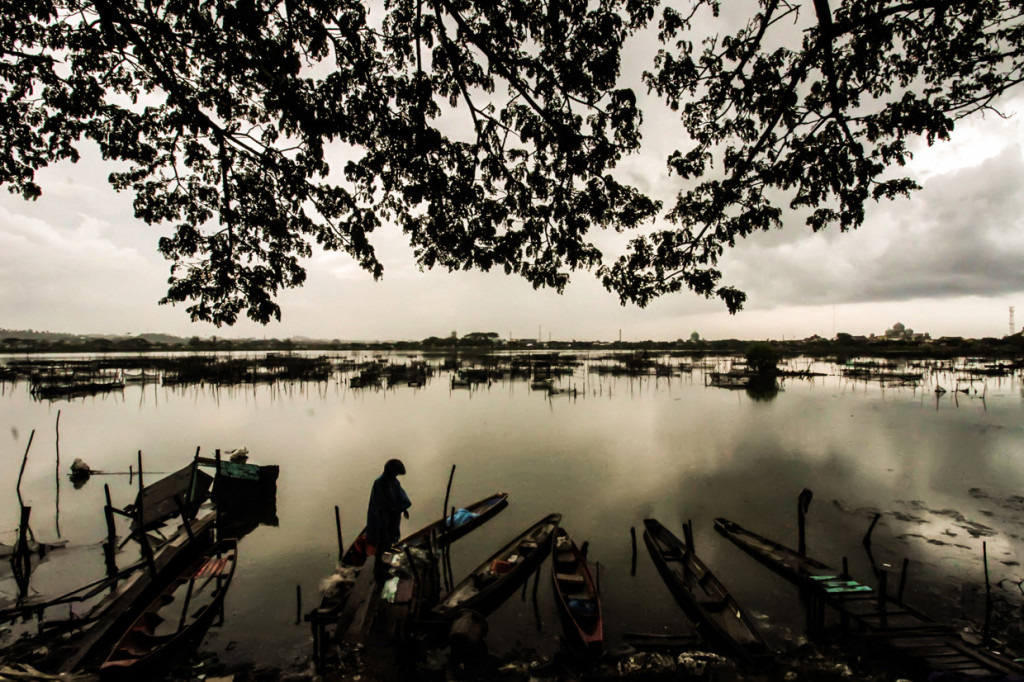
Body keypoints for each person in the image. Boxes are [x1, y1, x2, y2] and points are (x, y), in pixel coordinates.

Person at [365, 458, 412, 556]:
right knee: (383, 539)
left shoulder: (394, 482)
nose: (396, 475)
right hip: (383, 517)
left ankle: (388, 553)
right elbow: (380, 503)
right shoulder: (380, 482)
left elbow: (400, 495)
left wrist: (403, 509)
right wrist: (393, 509)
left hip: (393, 516)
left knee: (392, 536)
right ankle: (380, 561)